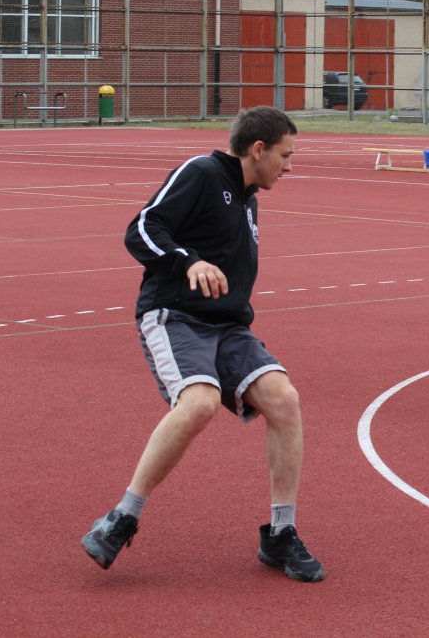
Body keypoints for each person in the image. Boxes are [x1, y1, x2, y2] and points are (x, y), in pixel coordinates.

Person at [80, 106, 324, 583]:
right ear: (258, 150)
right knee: (200, 403)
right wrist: (187, 262)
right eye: (284, 155)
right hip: (175, 315)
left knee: (284, 400)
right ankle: (122, 517)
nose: (289, 166)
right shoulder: (202, 172)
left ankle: (280, 533)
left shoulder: (249, 197)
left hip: (227, 326)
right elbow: (143, 228)